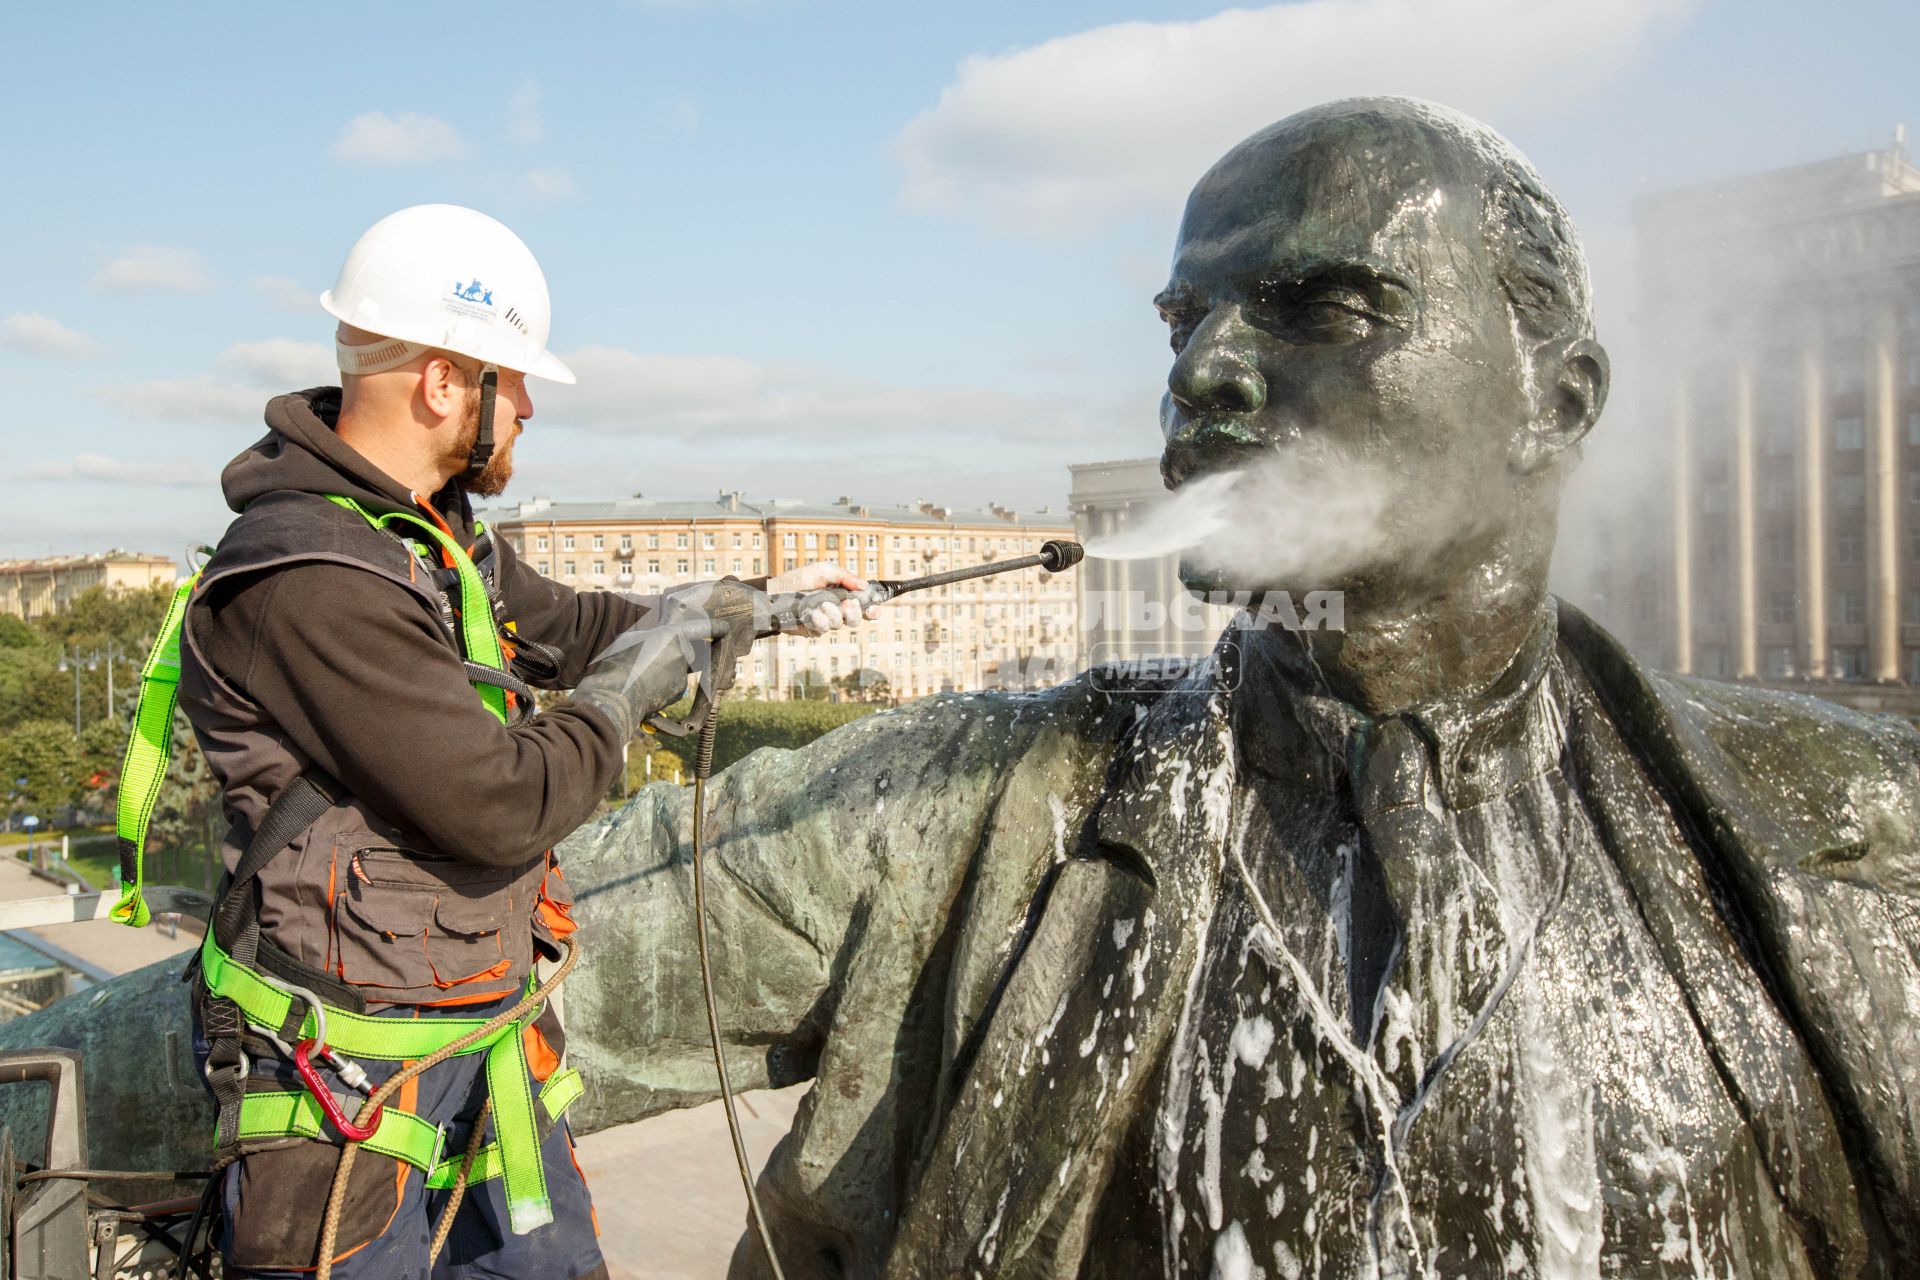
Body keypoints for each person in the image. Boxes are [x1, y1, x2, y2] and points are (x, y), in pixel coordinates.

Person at [166, 204, 869, 1279]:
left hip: (474, 1055)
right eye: (517, 380)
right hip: (343, 1097)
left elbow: (577, 627)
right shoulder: (312, 577)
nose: (530, 405)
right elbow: (499, 801)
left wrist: (750, 607)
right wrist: (628, 692)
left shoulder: (424, 536)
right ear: (445, 380)